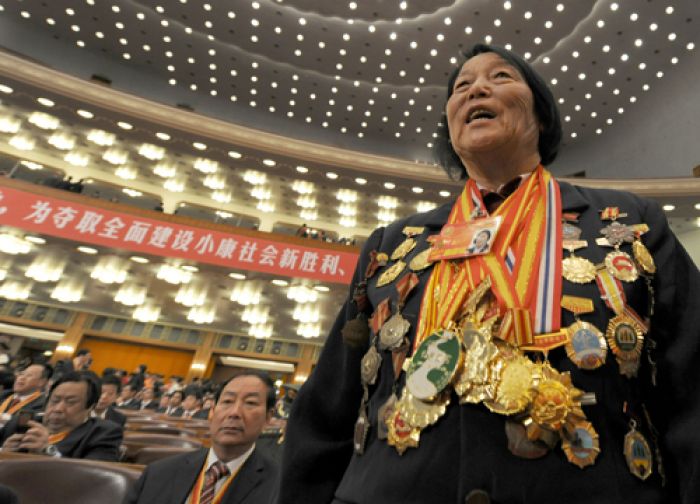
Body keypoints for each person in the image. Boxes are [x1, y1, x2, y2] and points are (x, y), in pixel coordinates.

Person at [278, 44, 700, 503]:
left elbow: (691, 393)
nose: (476, 87)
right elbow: (328, 411)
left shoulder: (628, 225)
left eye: (501, 77)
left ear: (541, 115)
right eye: (462, 85)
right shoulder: (394, 243)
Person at [124, 371, 279, 504]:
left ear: (268, 417)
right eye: (227, 401)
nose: (234, 412)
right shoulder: (158, 472)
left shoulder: (281, 488)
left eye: (250, 403)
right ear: (212, 412)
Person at [0, 371, 123, 460]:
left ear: (90, 407)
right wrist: (3, 453)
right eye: (55, 400)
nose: (58, 408)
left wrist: (47, 452)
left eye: (71, 402)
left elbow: (95, 478)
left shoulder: (103, 433)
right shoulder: (23, 421)